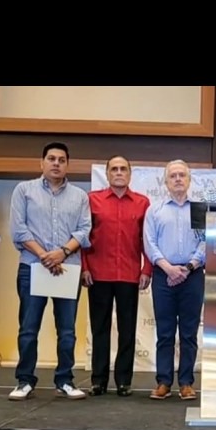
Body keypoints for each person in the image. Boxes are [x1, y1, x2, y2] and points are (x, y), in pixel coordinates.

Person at [7, 142, 91, 401]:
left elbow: (84, 230)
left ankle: (64, 380)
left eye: (61, 160)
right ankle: (24, 380)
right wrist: (45, 255)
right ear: (41, 162)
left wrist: (62, 253)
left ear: (68, 165)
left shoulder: (80, 196)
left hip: (67, 268)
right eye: (51, 158)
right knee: (28, 328)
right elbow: (19, 229)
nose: (56, 163)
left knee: (67, 331)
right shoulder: (24, 190)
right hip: (33, 266)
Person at [80, 155, 152, 397]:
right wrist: (84, 267)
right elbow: (83, 237)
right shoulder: (92, 200)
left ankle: (124, 381)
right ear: (107, 174)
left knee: (127, 330)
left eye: (123, 169)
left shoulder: (142, 202)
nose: (119, 173)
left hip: (129, 275)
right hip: (98, 274)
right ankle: (98, 381)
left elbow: (147, 240)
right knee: (99, 329)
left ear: (129, 174)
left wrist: (147, 269)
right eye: (114, 169)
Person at [143, 160, 205, 400]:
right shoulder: (155, 210)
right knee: (165, 332)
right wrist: (168, 268)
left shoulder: (200, 209)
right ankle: (164, 382)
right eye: (173, 176)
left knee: (189, 333)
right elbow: (149, 243)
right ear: (166, 181)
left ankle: (186, 382)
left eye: (182, 175)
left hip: (193, 275)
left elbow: (206, 240)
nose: (178, 179)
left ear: (189, 180)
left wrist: (188, 268)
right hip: (163, 275)